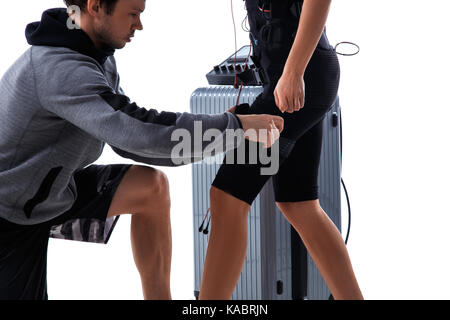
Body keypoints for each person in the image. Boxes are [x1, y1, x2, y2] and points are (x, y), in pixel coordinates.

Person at [0, 0, 284, 300]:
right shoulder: (61, 70)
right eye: (133, 14)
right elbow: (143, 134)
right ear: (96, 6)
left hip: (52, 191)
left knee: (151, 189)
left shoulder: (91, 46)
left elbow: (128, 137)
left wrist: (225, 129)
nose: (139, 25)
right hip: (10, 213)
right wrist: (236, 127)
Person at [198, 0, 364, 300]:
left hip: (302, 77)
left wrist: (294, 71)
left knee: (226, 197)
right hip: (295, 79)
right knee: (299, 204)